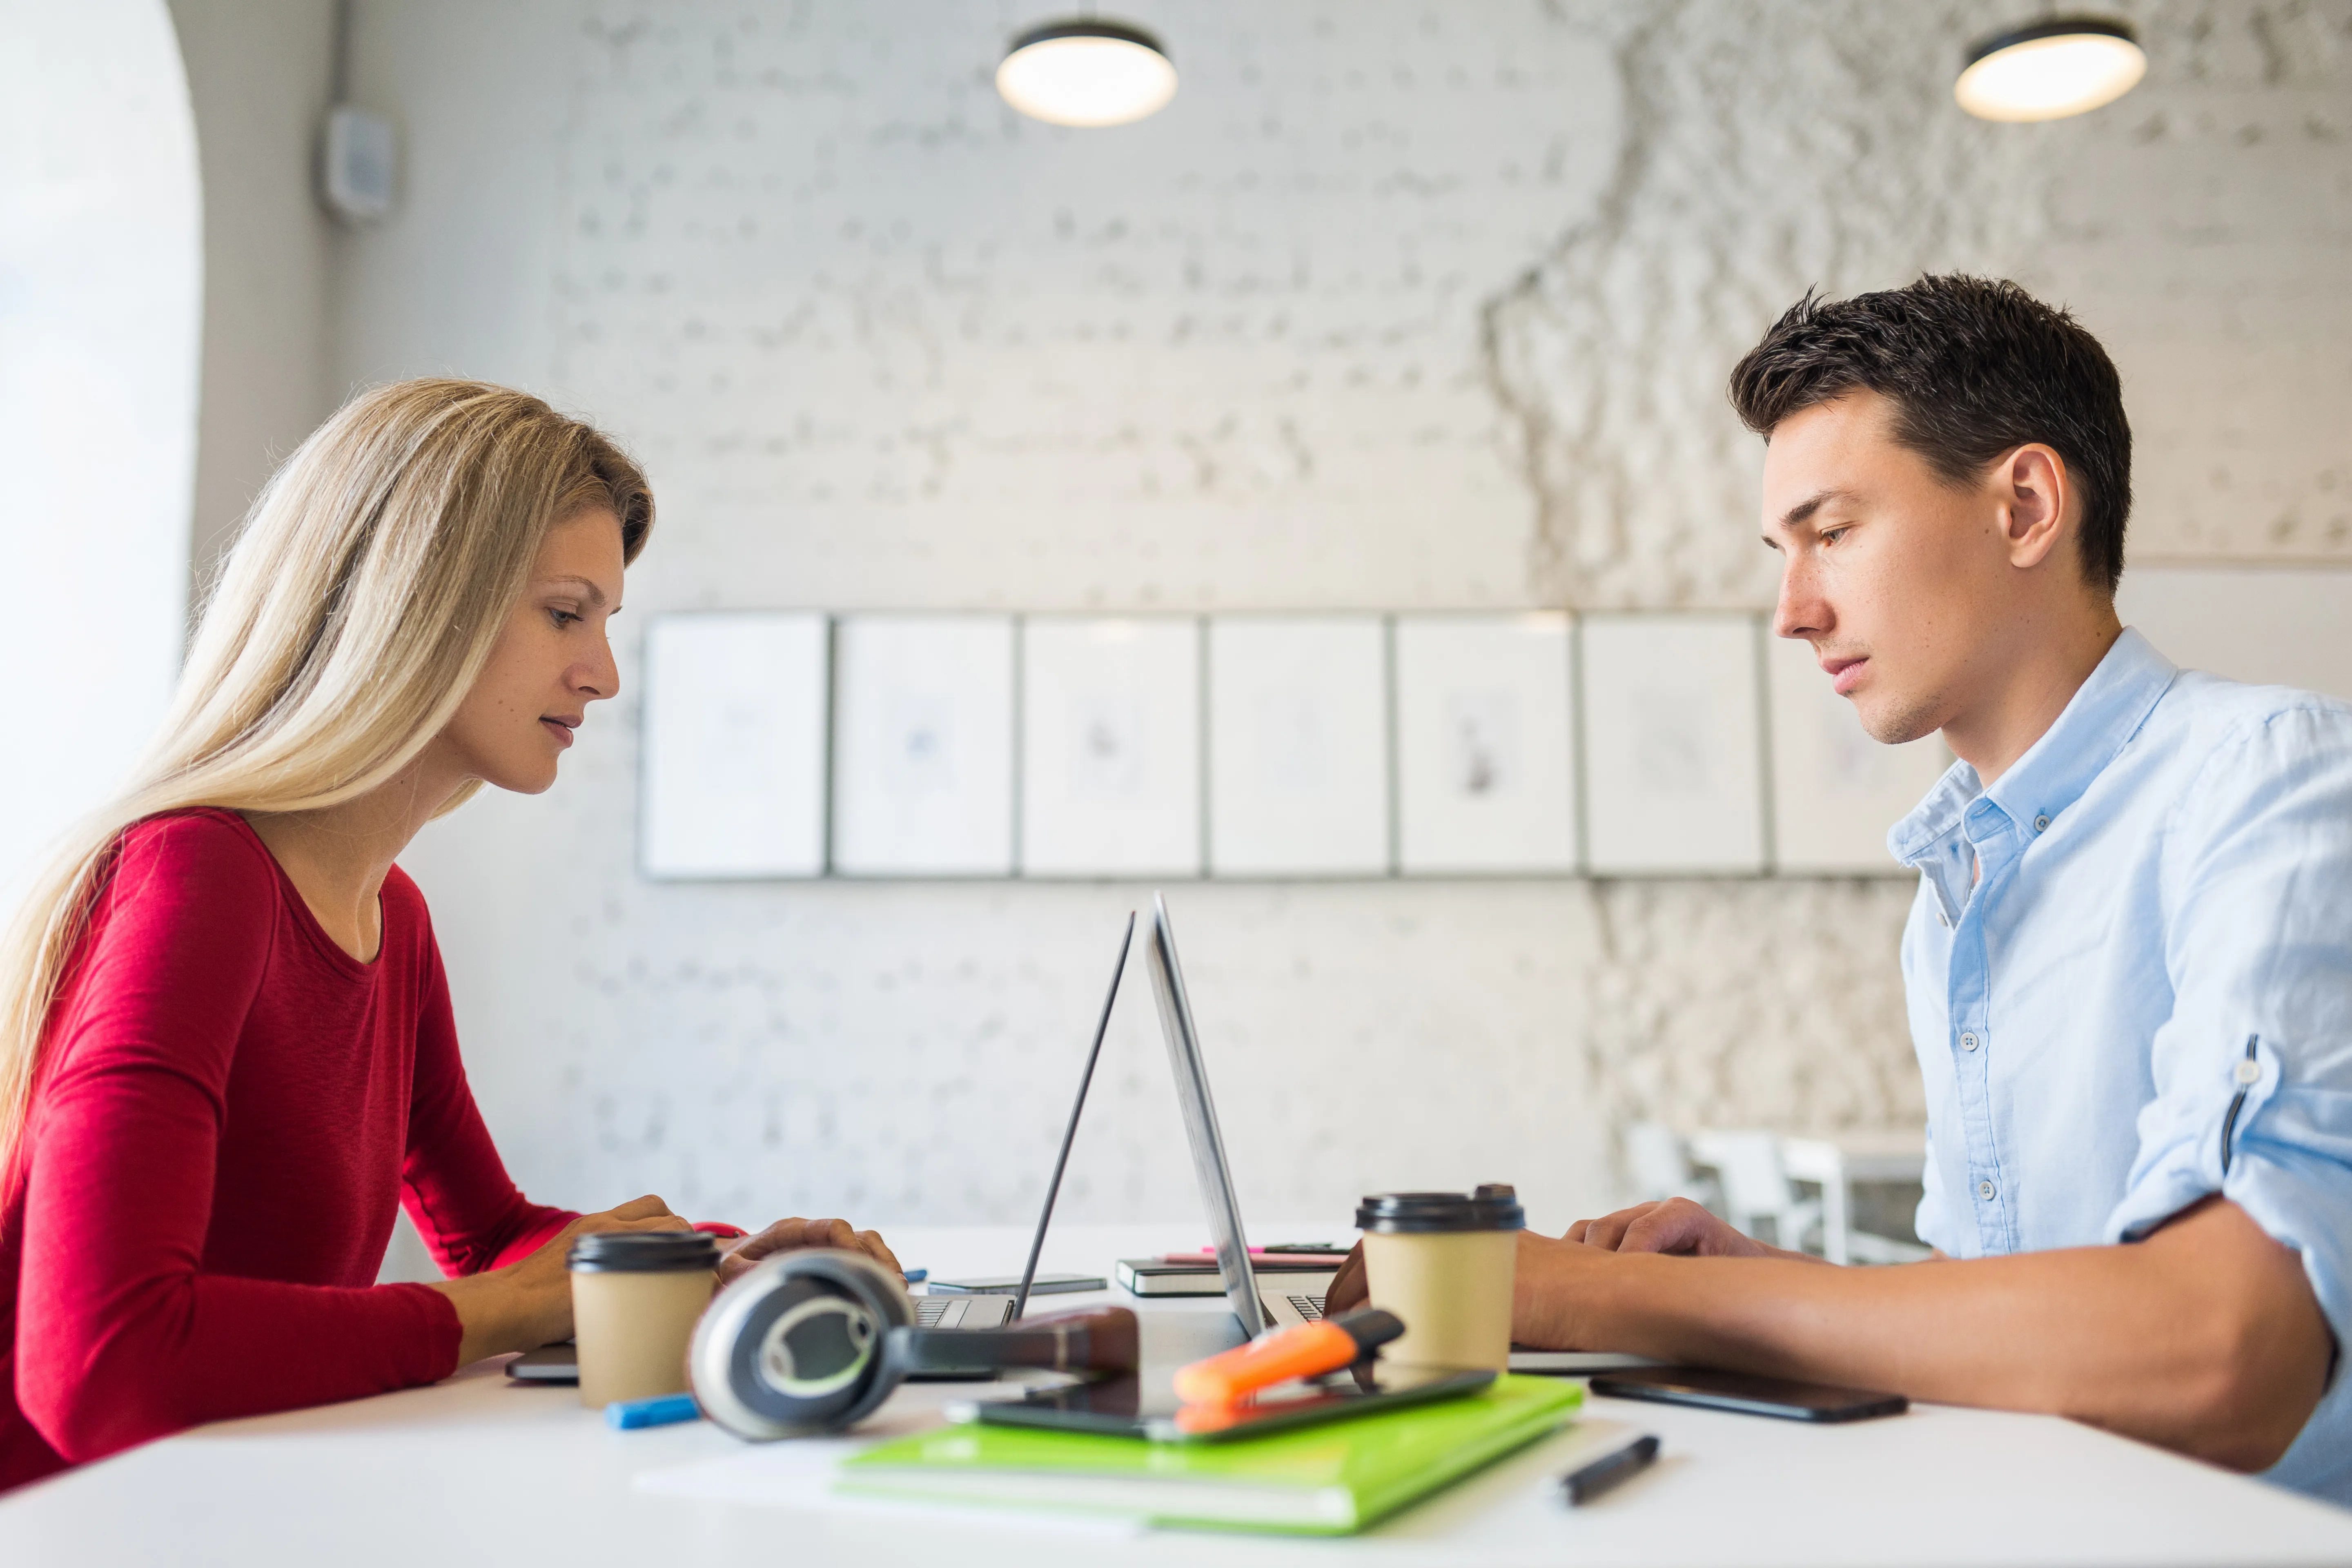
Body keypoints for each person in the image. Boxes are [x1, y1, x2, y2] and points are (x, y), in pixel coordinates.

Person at [1330, 275, 2350, 1501]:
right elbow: (2010, 1316)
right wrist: (1760, 1277)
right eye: (1785, 550)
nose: (1795, 612)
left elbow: (2225, 1355)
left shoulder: (2271, 781)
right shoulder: (1959, 890)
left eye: (1835, 531)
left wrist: (1637, 1301)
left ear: (2025, 505)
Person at [0, 381, 896, 1494]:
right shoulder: (200, 877)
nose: (603, 675)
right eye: (567, 614)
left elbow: (490, 1242)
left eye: (605, 625)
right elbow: (99, 1367)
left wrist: (722, 1267)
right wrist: (491, 1314)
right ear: (419, 600)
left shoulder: (390, 914)